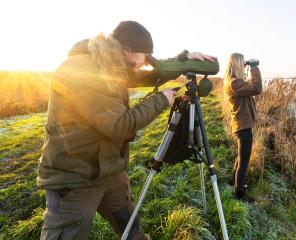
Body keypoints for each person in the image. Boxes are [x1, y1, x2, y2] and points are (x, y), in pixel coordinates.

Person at [37, 20, 216, 240]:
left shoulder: (109, 61)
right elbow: (120, 126)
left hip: (109, 172)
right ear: (127, 50)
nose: (145, 64)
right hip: (74, 179)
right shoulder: (82, 71)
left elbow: (147, 74)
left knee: (131, 229)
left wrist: (183, 60)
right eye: (144, 57)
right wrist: (161, 99)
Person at [223, 53, 262, 201]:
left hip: (241, 125)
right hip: (243, 127)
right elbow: (257, 88)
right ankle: (240, 194)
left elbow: (251, 87)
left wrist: (249, 71)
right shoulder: (234, 83)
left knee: (241, 157)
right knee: (244, 162)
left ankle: (233, 181)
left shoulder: (234, 82)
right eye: (242, 63)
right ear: (238, 64)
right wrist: (254, 67)